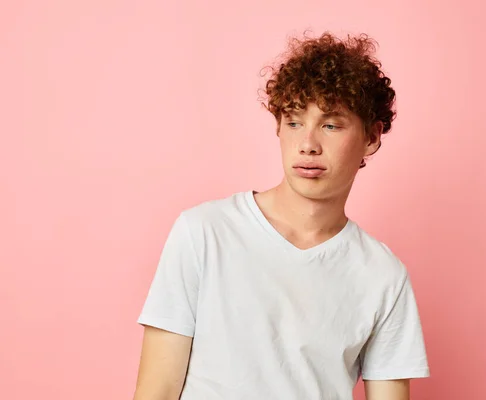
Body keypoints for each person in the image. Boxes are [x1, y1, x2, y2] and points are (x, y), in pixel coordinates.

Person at [133, 31, 429, 400]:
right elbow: (156, 390)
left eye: (330, 125)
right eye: (293, 122)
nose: (307, 144)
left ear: (371, 137)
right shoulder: (204, 233)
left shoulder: (384, 275)